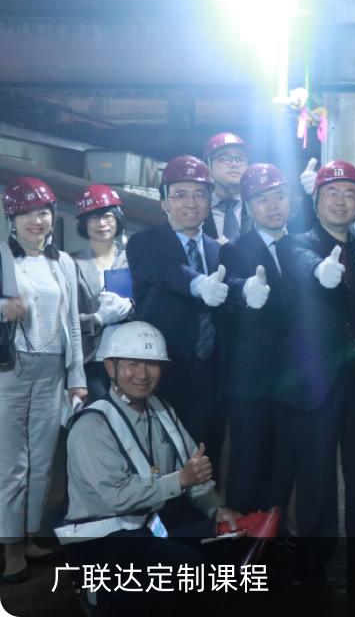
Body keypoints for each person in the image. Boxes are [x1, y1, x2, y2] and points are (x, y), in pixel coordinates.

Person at [56, 321, 256, 611]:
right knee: (191, 571)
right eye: (132, 364)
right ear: (111, 368)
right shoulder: (91, 427)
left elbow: (194, 471)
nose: (142, 374)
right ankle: (100, 596)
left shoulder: (162, 410)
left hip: (146, 526)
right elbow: (118, 497)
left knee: (228, 545)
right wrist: (181, 480)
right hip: (100, 542)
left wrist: (217, 509)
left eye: (152, 364)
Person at [274, 160, 355, 588]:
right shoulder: (295, 244)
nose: (341, 201)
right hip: (313, 384)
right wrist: (317, 269)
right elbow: (299, 262)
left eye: (349, 193)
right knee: (316, 478)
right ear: (316, 200)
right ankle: (313, 562)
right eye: (331, 192)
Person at [0, 178, 86, 583]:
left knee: (42, 462)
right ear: (12, 218)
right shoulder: (2, 256)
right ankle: (10, 549)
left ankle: (31, 535)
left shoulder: (63, 262)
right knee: (12, 464)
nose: (37, 220)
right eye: (27, 213)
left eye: (44, 211)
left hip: (53, 369)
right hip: (10, 370)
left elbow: (72, 323)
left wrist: (76, 377)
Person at [127, 156, 229, 468]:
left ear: (210, 201)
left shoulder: (219, 250)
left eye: (199, 194)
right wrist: (198, 283)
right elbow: (165, 272)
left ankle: (208, 501)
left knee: (208, 451)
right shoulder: (143, 243)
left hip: (212, 371)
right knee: (163, 456)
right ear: (164, 202)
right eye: (180, 195)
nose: (191, 203)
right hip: (164, 368)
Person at [218, 164, 289, 514]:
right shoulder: (235, 249)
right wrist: (245, 291)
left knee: (283, 459)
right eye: (262, 199)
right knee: (247, 459)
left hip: (293, 377)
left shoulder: (303, 245)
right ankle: (244, 530)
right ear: (248, 207)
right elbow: (231, 287)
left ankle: (274, 527)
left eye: (279, 196)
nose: (273, 205)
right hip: (251, 377)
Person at [72, 184, 133, 402]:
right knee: (97, 415)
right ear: (83, 223)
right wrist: (97, 319)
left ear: (118, 219)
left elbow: (151, 305)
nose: (101, 223)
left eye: (108, 216)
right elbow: (63, 319)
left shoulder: (133, 260)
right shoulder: (70, 263)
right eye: (93, 218)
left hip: (130, 357)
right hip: (92, 360)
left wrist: (131, 308)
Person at [201, 132, 253, 243]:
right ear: (208, 166)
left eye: (240, 159)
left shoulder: (258, 207)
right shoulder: (196, 209)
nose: (234, 164)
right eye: (225, 158)